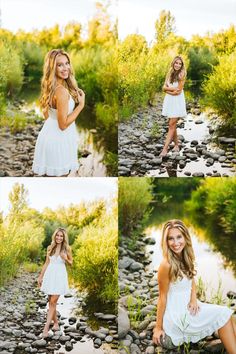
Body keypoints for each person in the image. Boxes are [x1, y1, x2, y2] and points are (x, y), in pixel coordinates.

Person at [153, 219, 236, 353]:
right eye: (171, 239)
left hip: (189, 308)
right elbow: (162, 298)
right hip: (178, 317)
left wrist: (193, 299)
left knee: (228, 315)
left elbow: (191, 280)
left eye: (179, 237)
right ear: (166, 241)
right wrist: (158, 328)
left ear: (185, 237)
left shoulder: (185, 257)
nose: (176, 243)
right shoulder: (166, 265)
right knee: (224, 314)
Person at [32, 49, 85, 176]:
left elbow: (47, 114)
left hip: (49, 135)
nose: (65, 68)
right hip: (59, 141)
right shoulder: (61, 91)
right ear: (52, 68)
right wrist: (80, 105)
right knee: (60, 177)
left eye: (67, 63)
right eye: (59, 65)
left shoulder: (51, 87)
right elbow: (63, 125)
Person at [38, 228, 73, 338]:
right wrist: (40, 276)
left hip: (60, 277)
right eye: (57, 235)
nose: (59, 237)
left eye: (61, 236)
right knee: (50, 301)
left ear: (64, 237)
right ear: (54, 236)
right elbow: (46, 263)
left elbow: (71, 263)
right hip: (50, 275)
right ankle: (56, 323)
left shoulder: (67, 248)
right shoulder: (50, 247)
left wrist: (65, 259)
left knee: (53, 301)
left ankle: (46, 328)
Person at [160, 56, 187, 157]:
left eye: (180, 64)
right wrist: (171, 90)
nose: (178, 65)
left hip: (177, 101)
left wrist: (168, 90)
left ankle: (165, 149)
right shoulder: (170, 72)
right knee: (172, 124)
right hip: (170, 100)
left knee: (171, 124)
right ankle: (176, 144)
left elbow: (178, 91)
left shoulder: (182, 74)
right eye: (176, 63)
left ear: (181, 65)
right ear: (173, 63)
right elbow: (163, 87)